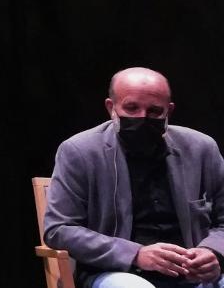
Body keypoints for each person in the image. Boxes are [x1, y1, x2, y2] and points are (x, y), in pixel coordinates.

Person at [44, 67, 224, 288]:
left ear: (169, 111)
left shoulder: (200, 148)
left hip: (192, 273)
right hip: (118, 272)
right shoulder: (80, 151)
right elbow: (59, 229)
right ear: (111, 107)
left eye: (154, 111)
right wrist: (135, 254)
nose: (142, 117)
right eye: (131, 108)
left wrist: (214, 252)